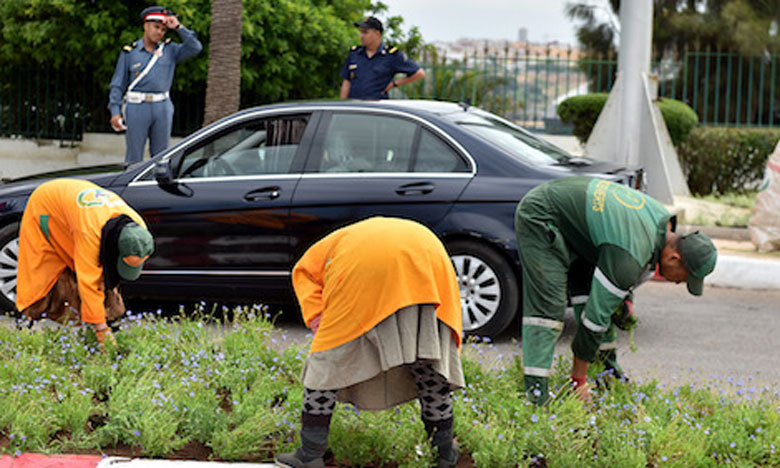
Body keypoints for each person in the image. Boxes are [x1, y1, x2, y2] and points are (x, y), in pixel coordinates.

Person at [275, 217, 463, 468]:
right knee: (428, 363)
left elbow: (304, 272)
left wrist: (315, 314)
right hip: (427, 256)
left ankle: (310, 455)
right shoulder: (347, 237)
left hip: (366, 263)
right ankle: (444, 453)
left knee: (325, 363)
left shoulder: (321, 254)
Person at [514, 176, 717, 404]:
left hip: (582, 228)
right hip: (544, 214)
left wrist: (625, 298)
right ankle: (536, 398)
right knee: (548, 311)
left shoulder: (660, 222)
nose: (680, 283)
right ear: (673, 257)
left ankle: (608, 378)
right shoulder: (631, 253)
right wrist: (578, 379)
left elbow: (620, 247)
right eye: (685, 278)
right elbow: (594, 320)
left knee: (601, 302)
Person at [15, 179, 154, 346]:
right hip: (46, 206)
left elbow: (110, 272)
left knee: (105, 273)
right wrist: (101, 330)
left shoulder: (138, 228)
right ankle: (26, 322)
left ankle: (110, 320)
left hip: (77, 212)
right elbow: (90, 283)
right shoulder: (90, 233)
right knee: (42, 274)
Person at [108, 6, 202, 164]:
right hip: (137, 107)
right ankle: (132, 188)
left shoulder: (170, 50)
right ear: (146, 26)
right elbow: (117, 84)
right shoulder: (130, 52)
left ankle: (157, 188)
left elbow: (195, 47)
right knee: (134, 157)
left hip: (162, 107)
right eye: (156, 27)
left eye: (163, 29)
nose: (159, 32)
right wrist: (115, 111)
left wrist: (178, 27)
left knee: (161, 158)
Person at [339, 16, 425, 100]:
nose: (361, 36)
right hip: (355, 107)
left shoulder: (391, 55)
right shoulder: (354, 54)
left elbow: (419, 74)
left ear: (377, 34)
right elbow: (347, 82)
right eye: (361, 32)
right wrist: (342, 106)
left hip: (378, 110)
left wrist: (393, 84)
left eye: (365, 32)